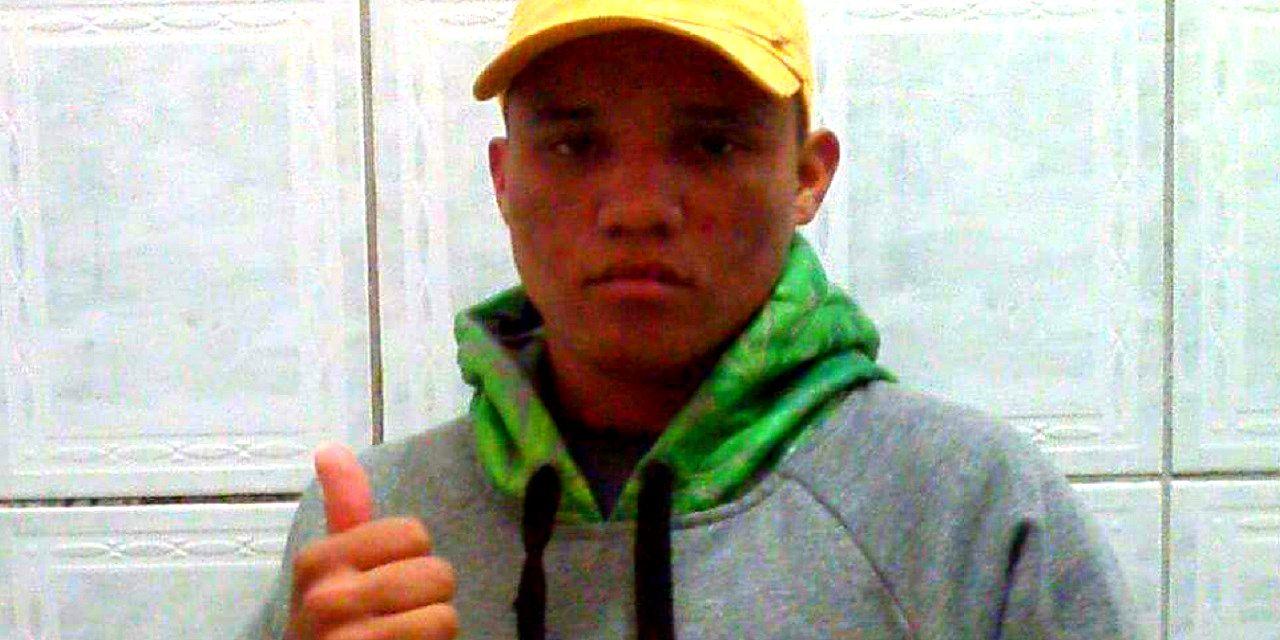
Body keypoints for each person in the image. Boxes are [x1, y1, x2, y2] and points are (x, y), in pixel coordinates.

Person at [238, 0, 1139, 638]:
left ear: (807, 176)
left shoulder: (968, 513)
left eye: (711, 144)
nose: (636, 208)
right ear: (504, 179)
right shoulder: (370, 533)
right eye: (574, 144)